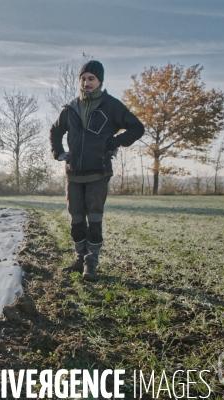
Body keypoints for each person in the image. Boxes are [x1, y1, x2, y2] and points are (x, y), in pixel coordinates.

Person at [49, 60, 144, 281]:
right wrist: (59, 153)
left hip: (98, 173)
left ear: (99, 80)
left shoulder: (111, 105)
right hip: (74, 173)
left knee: (94, 218)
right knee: (76, 219)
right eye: (83, 78)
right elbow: (55, 131)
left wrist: (114, 142)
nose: (86, 82)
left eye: (91, 78)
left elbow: (137, 127)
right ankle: (79, 258)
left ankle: (91, 263)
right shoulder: (71, 108)